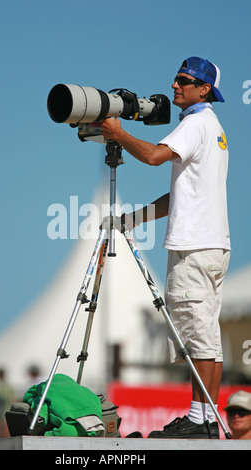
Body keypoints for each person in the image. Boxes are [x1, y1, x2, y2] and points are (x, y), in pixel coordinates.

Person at [101, 56, 231, 439]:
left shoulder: (196, 123)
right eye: (175, 79)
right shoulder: (212, 128)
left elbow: (155, 157)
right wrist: (134, 219)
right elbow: (182, 196)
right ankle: (203, 417)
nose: (175, 85)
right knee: (207, 335)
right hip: (210, 245)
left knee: (198, 336)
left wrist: (119, 134)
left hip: (194, 248)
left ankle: (201, 420)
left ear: (204, 89)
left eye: (183, 80)